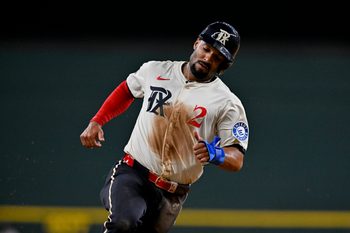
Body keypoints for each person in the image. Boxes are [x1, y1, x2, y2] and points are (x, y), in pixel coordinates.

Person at [80, 21, 249, 233]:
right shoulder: (155, 70)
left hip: (172, 195)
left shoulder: (227, 103)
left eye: (217, 57)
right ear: (196, 43)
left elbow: (237, 158)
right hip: (133, 174)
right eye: (206, 49)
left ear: (223, 65)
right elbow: (126, 90)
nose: (208, 58)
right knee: (124, 223)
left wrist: (216, 154)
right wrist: (98, 120)